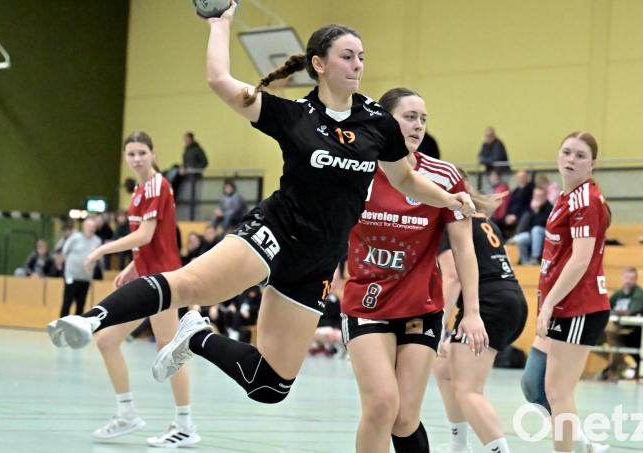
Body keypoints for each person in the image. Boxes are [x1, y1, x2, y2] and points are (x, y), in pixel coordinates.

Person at [47, 8, 482, 411]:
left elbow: (404, 177)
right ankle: (89, 320)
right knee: (190, 285)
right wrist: (219, 24)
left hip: (317, 261)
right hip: (274, 233)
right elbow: (220, 80)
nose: (358, 65)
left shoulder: (377, 122)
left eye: (361, 57)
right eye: (347, 56)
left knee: (271, 386)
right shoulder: (292, 115)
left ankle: (196, 336)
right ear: (319, 63)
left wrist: (448, 198)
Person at [341, 88, 497, 453]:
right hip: (367, 305)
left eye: (423, 118)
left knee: (404, 419)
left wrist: (471, 312)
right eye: (409, 116)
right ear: (385, 121)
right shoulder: (357, 170)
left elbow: (463, 248)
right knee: (381, 405)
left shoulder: (443, 177)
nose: (418, 125)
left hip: (421, 308)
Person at [62, 132, 200, 447]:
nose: (136, 158)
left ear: (153, 154)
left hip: (165, 282)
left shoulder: (157, 185)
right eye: (131, 154)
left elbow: (146, 236)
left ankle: (185, 424)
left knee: (169, 350)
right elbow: (151, 242)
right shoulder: (139, 191)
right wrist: (131, 267)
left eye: (142, 152)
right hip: (146, 279)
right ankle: (127, 413)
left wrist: (102, 250)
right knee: (107, 340)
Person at [530, 131, 612, 453]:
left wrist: (548, 305)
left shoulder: (585, 200)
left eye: (580, 155)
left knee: (558, 393)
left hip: (579, 306)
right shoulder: (565, 198)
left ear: (593, 162)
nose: (571, 160)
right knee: (547, 389)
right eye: (566, 152)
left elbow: (580, 260)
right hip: (567, 306)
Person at [433, 206, 527, 453]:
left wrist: (438, 325)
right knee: (444, 368)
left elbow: (452, 275)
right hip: (512, 298)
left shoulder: (449, 217)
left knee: (468, 389)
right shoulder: (481, 219)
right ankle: (459, 446)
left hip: (488, 305)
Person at [600, 267, 643, 380]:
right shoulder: (618, 293)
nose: (628, 281)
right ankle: (621, 364)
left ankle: (614, 367)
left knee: (610, 331)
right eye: (626, 277)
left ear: (636, 280)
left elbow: (630, 312)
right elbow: (605, 307)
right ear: (622, 278)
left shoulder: (639, 293)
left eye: (632, 278)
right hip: (616, 327)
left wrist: (615, 312)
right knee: (592, 339)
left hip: (631, 330)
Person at [59, 219, 101, 317]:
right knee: (67, 302)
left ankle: (77, 328)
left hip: (86, 277)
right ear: (84, 227)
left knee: (81, 304)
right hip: (71, 276)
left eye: (93, 227)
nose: (91, 228)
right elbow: (65, 251)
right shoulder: (74, 238)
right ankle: (62, 326)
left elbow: (98, 256)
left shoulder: (97, 241)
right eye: (89, 226)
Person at [511, 186, 552, 264]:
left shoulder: (549, 207)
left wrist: (536, 211)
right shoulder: (532, 208)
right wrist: (534, 210)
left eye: (540, 196)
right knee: (520, 239)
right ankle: (525, 262)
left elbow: (543, 223)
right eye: (536, 195)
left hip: (546, 234)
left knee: (536, 229)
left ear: (545, 196)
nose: (538, 198)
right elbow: (528, 224)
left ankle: (535, 257)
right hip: (533, 234)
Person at [502, 169, 535, 237]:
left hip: (523, 215)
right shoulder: (516, 191)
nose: (521, 179)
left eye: (523, 177)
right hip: (512, 215)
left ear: (527, 177)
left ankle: (515, 239)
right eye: (519, 177)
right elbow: (509, 204)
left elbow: (529, 206)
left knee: (526, 215)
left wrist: (516, 216)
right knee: (497, 220)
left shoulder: (532, 189)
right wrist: (507, 215)